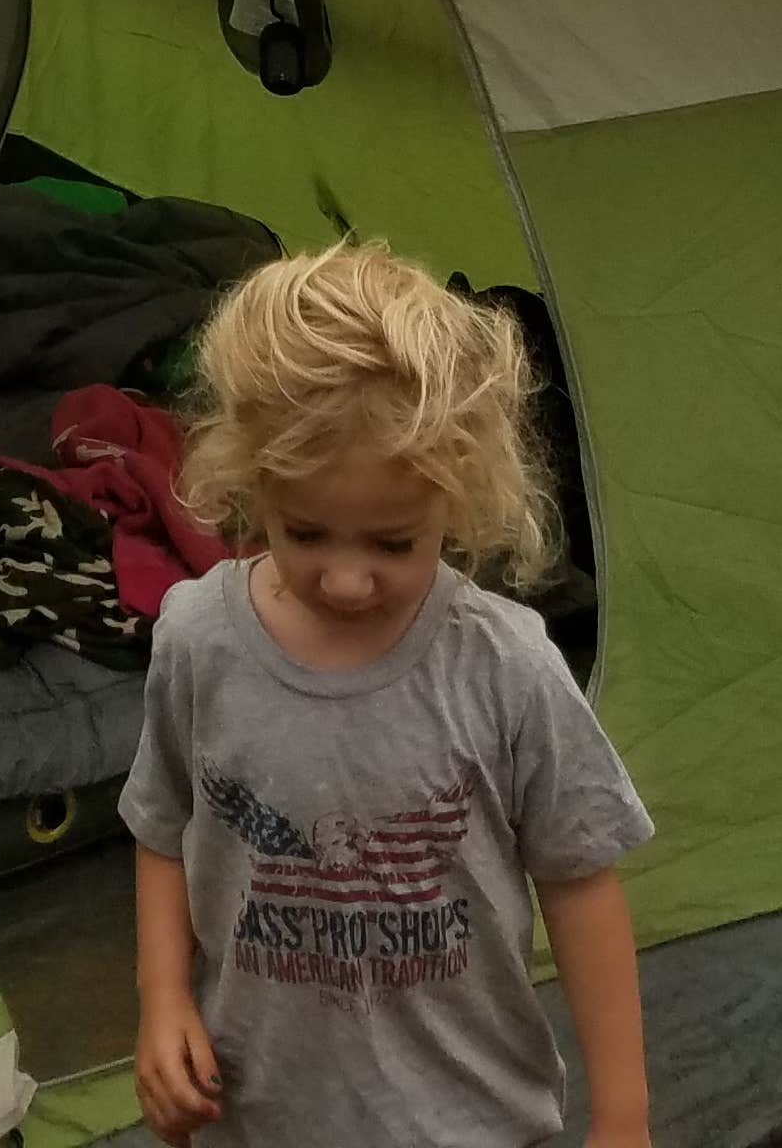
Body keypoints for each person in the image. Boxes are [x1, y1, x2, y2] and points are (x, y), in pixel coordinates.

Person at [121, 238, 652, 1147]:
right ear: (251, 479)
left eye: (394, 543)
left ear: (465, 493)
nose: (348, 580)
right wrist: (163, 1000)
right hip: (258, 1116)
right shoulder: (199, 642)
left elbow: (581, 883)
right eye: (306, 531)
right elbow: (163, 830)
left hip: (468, 1122)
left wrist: (625, 1117)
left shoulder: (503, 666)